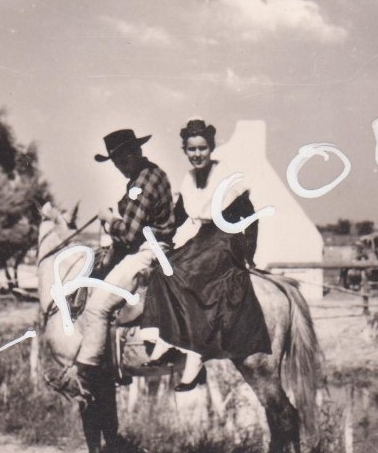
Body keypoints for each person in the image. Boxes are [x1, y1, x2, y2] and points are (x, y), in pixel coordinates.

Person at [139, 119, 272, 391]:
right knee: (164, 268)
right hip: (204, 240)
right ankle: (167, 337)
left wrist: (248, 255)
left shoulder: (226, 177)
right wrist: (154, 238)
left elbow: (251, 218)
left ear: (211, 149)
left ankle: (196, 354)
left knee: (185, 272)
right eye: (192, 149)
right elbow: (177, 218)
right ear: (185, 151)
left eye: (202, 149)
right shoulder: (188, 180)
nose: (197, 154)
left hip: (227, 240)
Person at [58, 128, 176, 402]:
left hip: (149, 250)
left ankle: (84, 373)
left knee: (97, 305)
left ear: (135, 153)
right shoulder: (147, 175)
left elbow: (129, 233)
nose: (121, 168)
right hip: (148, 247)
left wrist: (108, 218)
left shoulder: (142, 182)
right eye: (117, 163)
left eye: (123, 161)